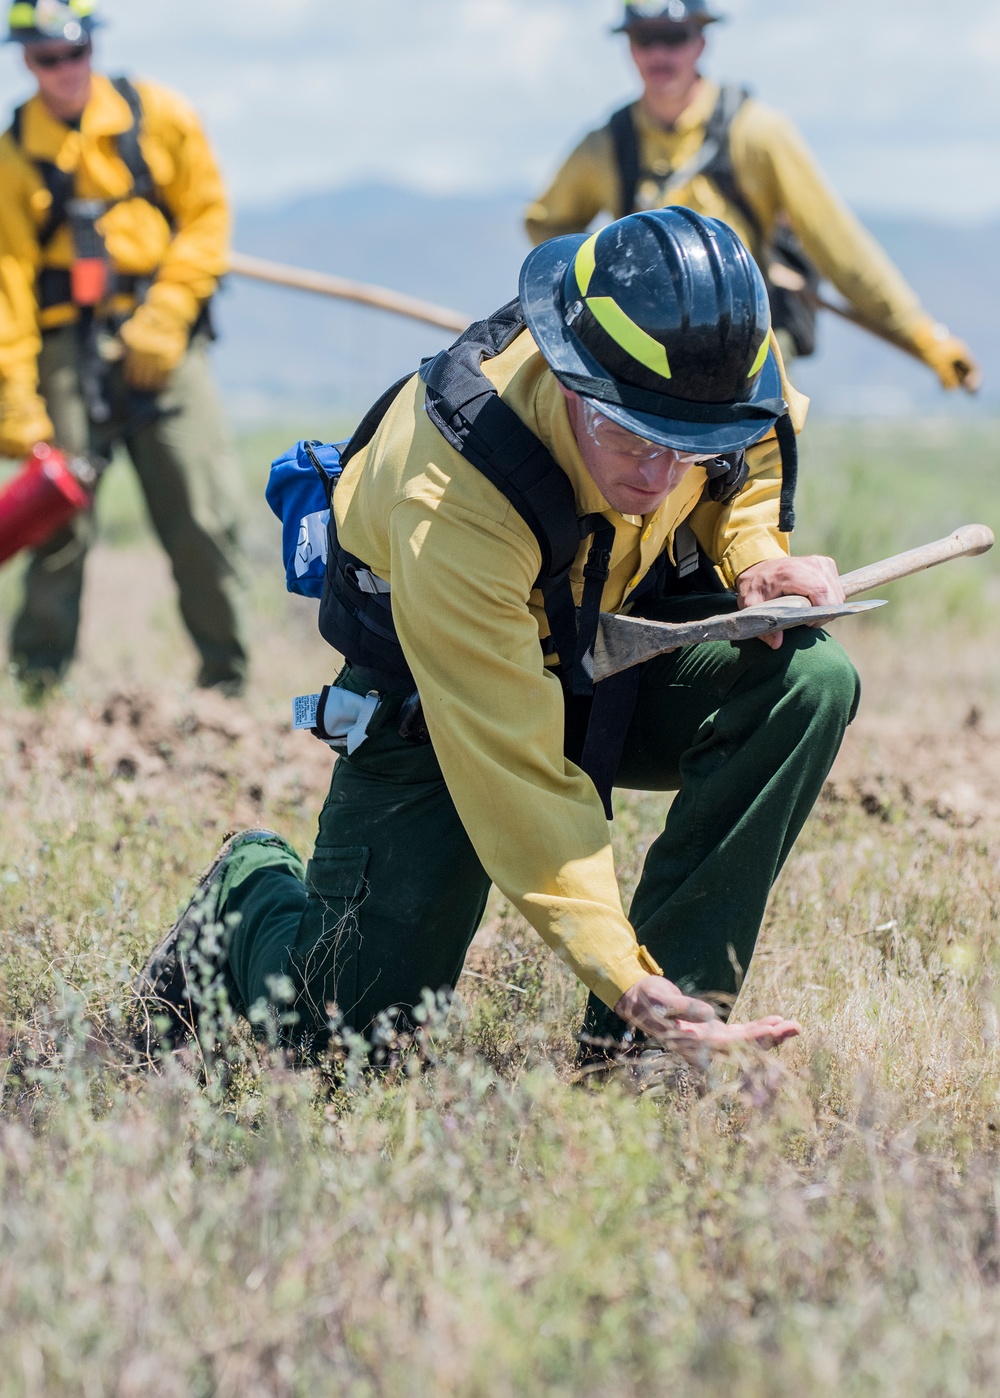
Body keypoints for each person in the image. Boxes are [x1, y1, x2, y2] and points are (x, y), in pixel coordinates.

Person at [136, 207, 861, 1067]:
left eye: (690, 444)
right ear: (570, 380)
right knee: (345, 1045)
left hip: (607, 645)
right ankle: (247, 892)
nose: (663, 474)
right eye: (636, 436)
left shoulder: (716, 363)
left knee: (806, 680)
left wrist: (754, 554)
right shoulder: (454, 500)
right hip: (441, 701)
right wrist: (620, 971)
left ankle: (653, 1053)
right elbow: (515, 770)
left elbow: (754, 449)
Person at [525, 0, 979, 390]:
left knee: (748, 485)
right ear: (629, 47)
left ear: (701, 41)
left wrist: (923, 335)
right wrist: (598, 275)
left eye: (674, 37)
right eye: (646, 39)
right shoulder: (608, 145)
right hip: (643, 347)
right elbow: (547, 224)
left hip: (749, 350)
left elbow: (841, 247)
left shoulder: (758, 134)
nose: (660, 53)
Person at [0, 0, 246, 694]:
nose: (65, 70)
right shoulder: (13, 155)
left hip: (165, 346)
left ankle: (225, 685)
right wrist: (16, 400)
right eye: (48, 58)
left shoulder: (159, 115)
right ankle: (37, 688)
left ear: (92, 47)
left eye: (76, 52)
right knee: (57, 523)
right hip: (65, 352)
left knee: (203, 514)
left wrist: (168, 315)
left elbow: (207, 216)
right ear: (27, 60)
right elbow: (7, 285)